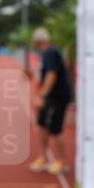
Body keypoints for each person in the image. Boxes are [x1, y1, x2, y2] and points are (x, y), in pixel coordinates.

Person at [28, 28, 72, 176]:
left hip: (58, 97)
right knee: (41, 125)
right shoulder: (46, 54)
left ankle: (61, 161)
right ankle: (43, 157)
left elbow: (51, 75)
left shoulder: (51, 53)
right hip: (50, 97)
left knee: (56, 129)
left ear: (37, 41)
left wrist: (42, 96)